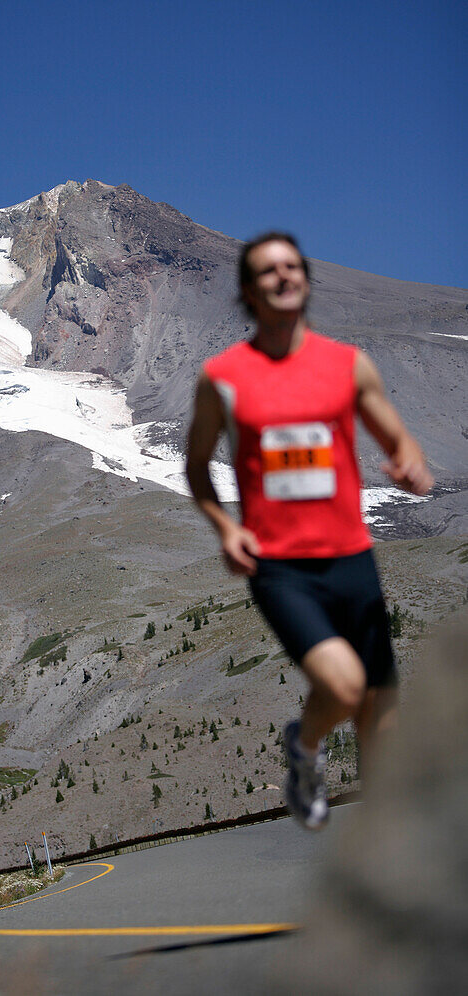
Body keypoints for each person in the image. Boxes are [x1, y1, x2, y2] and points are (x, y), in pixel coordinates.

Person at [185, 232, 433, 829]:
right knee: (345, 689)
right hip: (281, 568)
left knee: (381, 722)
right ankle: (305, 746)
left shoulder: (347, 365)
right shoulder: (222, 377)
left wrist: (408, 463)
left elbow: (399, 439)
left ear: (306, 279)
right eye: (268, 270)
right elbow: (195, 469)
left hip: (352, 559)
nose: (283, 276)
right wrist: (224, 526)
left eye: (292, 266)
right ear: (249, 289)